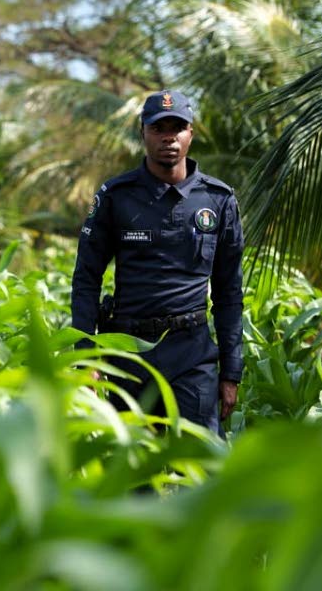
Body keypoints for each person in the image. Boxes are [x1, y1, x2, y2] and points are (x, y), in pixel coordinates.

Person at [71, 90, 244, 433]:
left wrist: (231, 371)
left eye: (177, 127)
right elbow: (86, 280)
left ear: (190, 133)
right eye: (158, 128)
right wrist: (85, 356)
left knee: (200, 469)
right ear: (143, 133)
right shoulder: (116, 197)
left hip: (192, 355)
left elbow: (228, 292)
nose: (169, 137)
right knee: (134, 477)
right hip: (130, 355)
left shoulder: (217, 199)